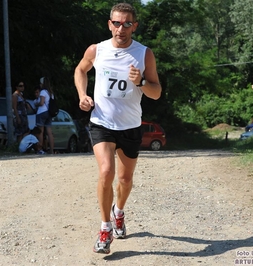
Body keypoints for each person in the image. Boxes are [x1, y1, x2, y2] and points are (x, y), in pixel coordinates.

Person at [74, 3, 162, 254]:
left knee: (125, 179)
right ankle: (105, 228)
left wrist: (142, 81)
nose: (120, 28)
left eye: (126, 24)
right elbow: (81, 69)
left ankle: (118, 212)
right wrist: (83, 94)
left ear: (134, 26)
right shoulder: (97, 50)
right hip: (102, 122)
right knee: (106, 171)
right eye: (116, 23)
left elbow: (156, 93)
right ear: (109, 24)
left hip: (131, 126)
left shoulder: (144, 54)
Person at [35, 77, 55, 154]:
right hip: (49, 113)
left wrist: (36, 103)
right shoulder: (51, 93)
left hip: (42, 112)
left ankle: (40, 150)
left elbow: (41, 103)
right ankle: (52, 150)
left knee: (41, 132)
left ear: (42, 84)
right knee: (49, 132)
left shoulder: (43, 92)